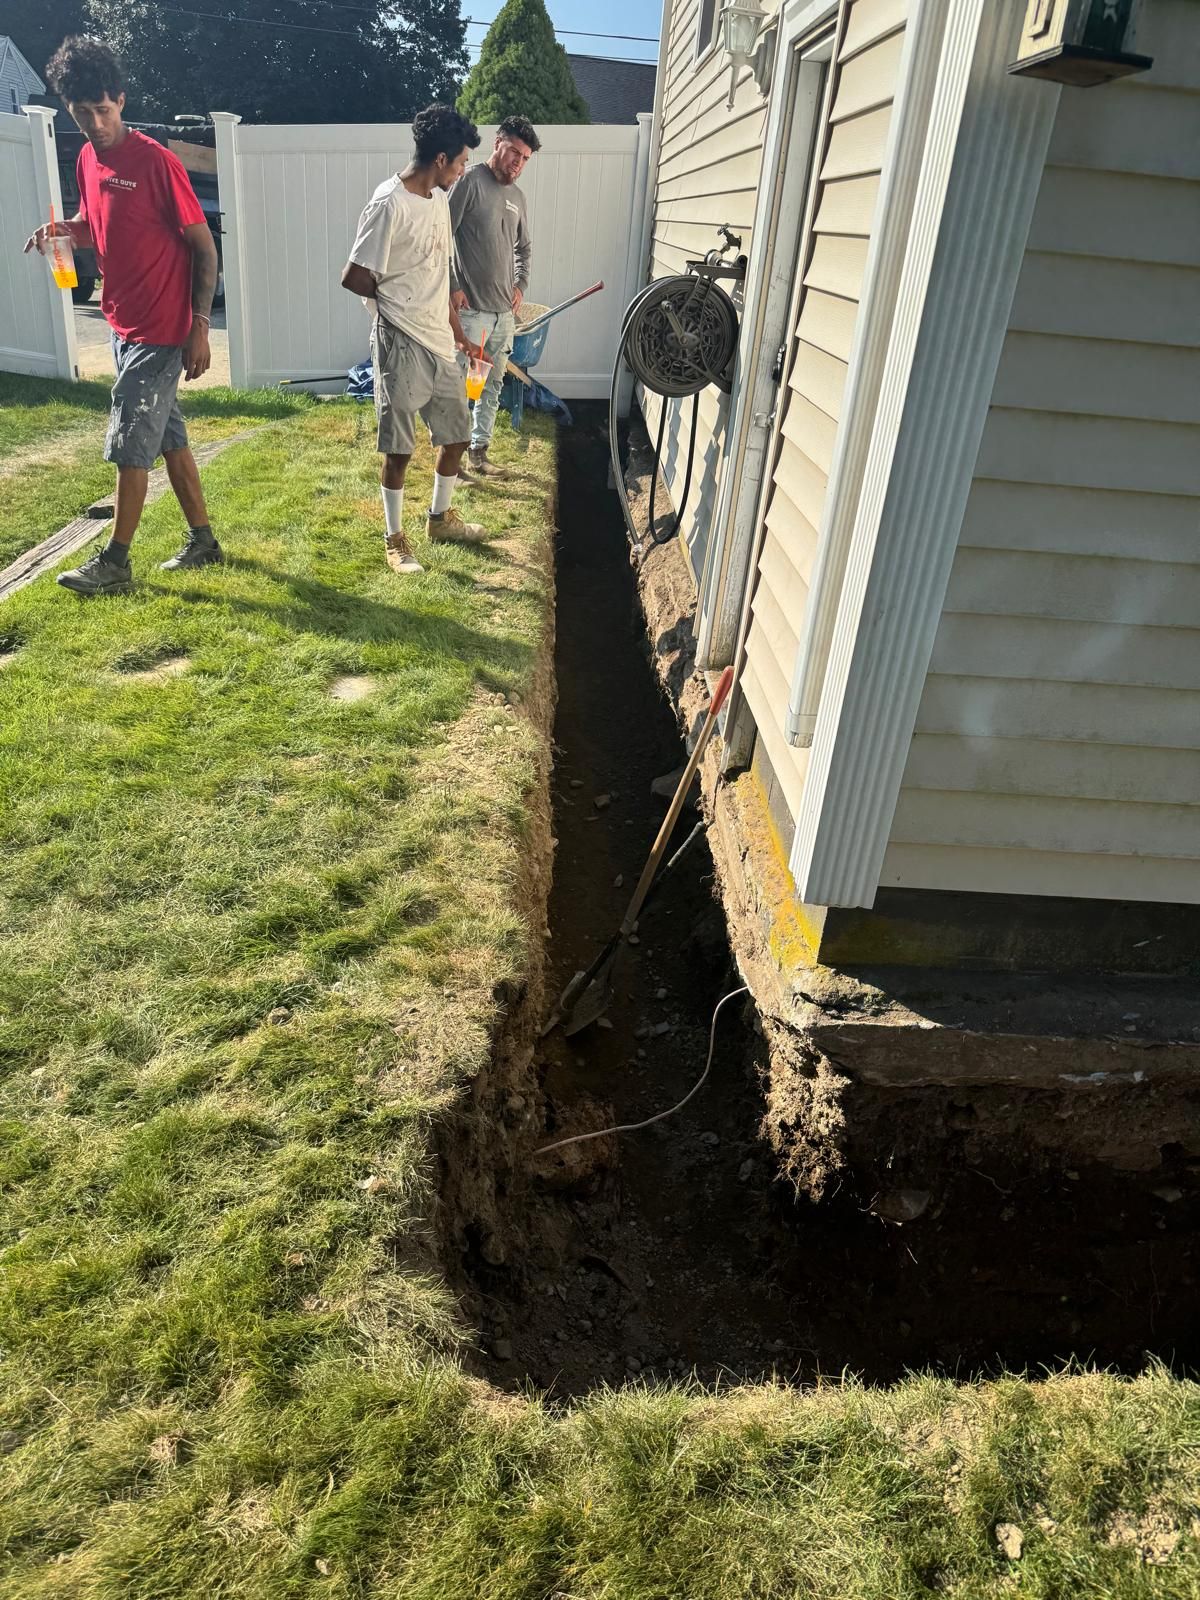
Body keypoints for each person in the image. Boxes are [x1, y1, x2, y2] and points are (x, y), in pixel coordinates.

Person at [24, 37, 221, 598]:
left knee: (129, 441)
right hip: (119, 321)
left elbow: (204, 250)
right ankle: (204, 542)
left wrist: (199, 326)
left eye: (104, 111)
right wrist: (63, 231)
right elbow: (95, 226)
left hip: (161, 328)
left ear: (122, 101)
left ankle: (115, 561)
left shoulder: (156, 162)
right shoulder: (88, 158)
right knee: (168, 440)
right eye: (83, 114)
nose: (95, 124)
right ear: (70, 110)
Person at [341, 106, 489, 575]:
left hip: (439, 342)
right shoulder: (388, 204)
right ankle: (394, 540)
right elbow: (354, 275)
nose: (464, 170)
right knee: (400, 448)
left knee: (456, 435)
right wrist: (394, 303)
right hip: (400, 342)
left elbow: (438, 273)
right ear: (441, 158)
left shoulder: (438, 199)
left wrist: (458, 334)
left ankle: (440, 518)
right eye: (462, 162)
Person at [449, 116, 539, 479]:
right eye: (514, 152)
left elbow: (525, 249)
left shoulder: (517, 197)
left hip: (504, 316)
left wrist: (521, 286)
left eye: (526, 159)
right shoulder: (469, 182)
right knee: (460, 389)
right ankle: (450, 463)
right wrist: (454, 285)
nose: (518, 163)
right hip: (472, 315)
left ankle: (478, 453)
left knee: (492, 387)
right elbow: (442, 238)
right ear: (498, 143)